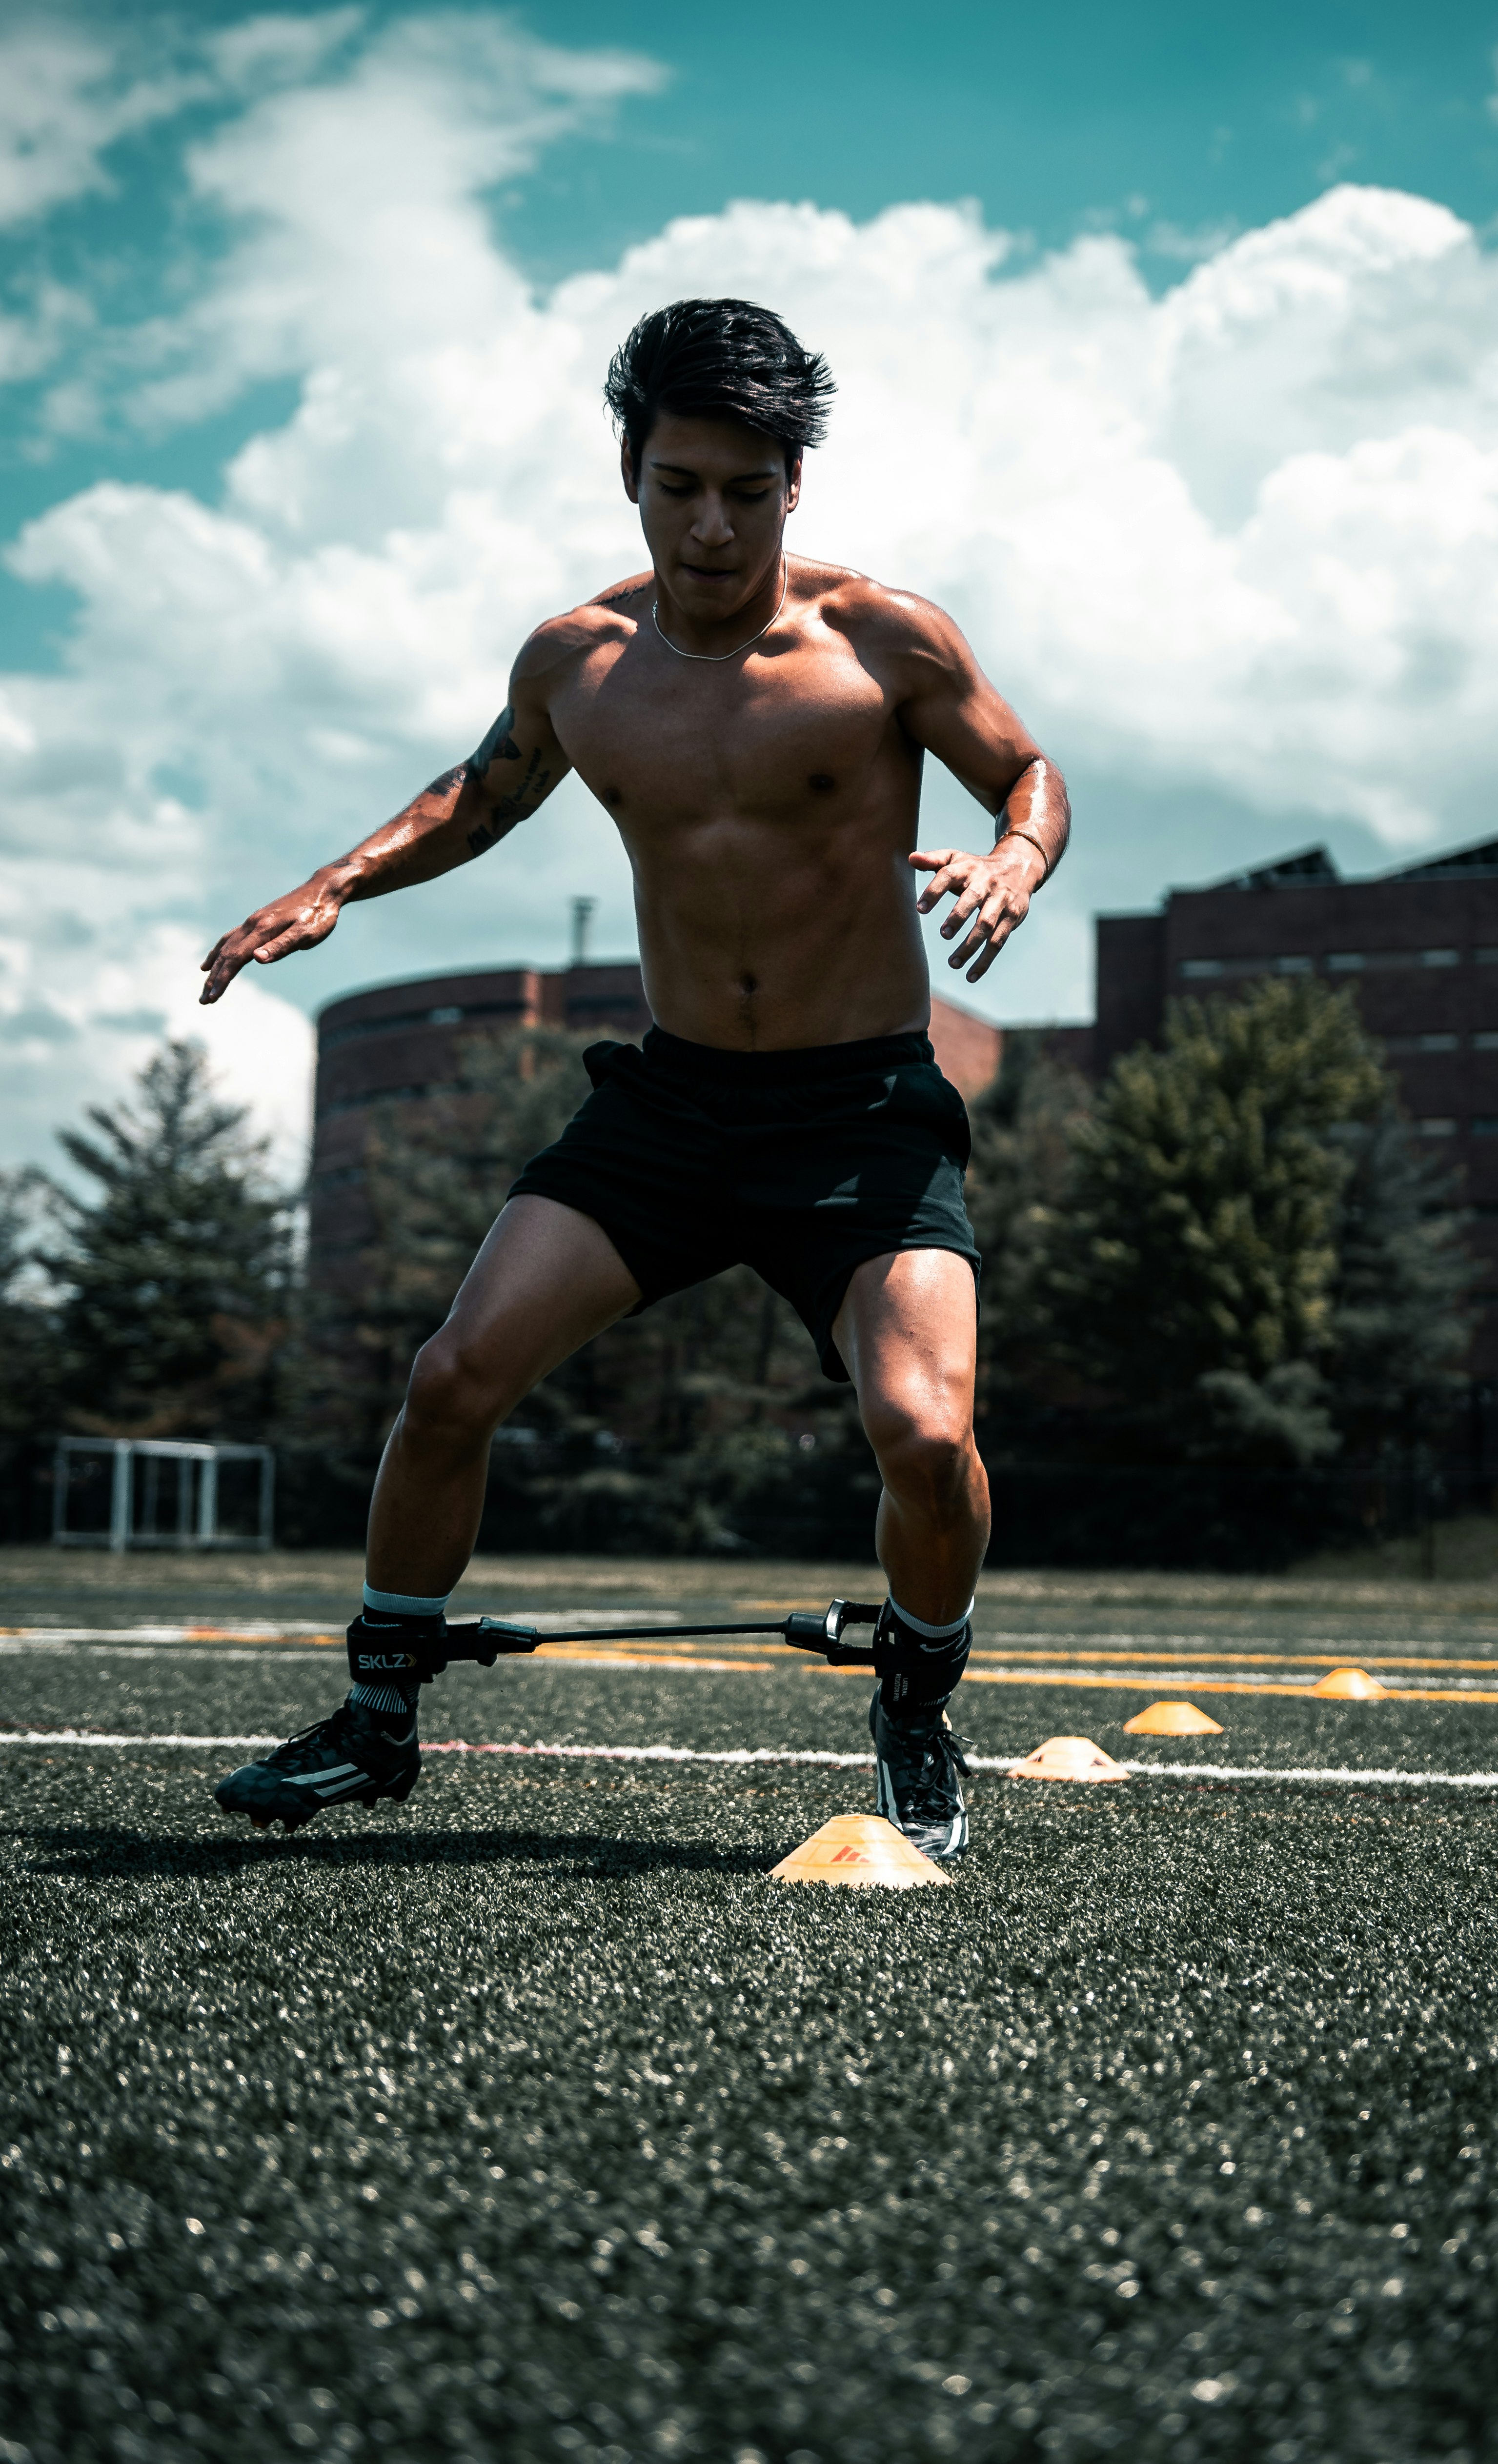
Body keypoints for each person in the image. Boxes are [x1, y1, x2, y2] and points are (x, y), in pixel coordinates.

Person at [205, 298, 1069, 1860]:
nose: (714, 522)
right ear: (631, 471)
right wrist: (334, 881)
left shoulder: (886, 638)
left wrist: (1014, 857)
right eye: (681, 484)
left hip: (862, 1115)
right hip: (670, 1109)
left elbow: (1026, 769)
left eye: (748, 488)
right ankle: (379, 1710)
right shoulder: (580, 660)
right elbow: (482, 794)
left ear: (793, 486)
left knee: (926, 1436)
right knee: (450, 1375)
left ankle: (918, 1708)